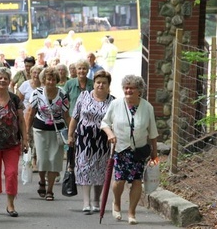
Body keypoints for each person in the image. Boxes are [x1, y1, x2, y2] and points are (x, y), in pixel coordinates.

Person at [100, 75, 158, 225]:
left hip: (138, 150)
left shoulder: (147, 107)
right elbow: (105, 122)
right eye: (126, 87)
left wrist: (155, 153)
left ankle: (132, 212)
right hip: (120, 148)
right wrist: (110, 134)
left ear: (139, 90)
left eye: (132, 88)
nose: (128, 90)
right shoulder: (116, 104)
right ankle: (117, 202)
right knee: (120, 180)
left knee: (137, 181)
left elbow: (152, 132)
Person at [67, 70, 115, 214]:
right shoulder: (84, 96)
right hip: (84, 139)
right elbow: (75, 117)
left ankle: (96, 201)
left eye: (104, 83)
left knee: (101, 170)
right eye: (98, 82)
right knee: (84, 168)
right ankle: (86, 202)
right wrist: (70, 135)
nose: (100, 85)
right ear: (93, 83)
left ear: (108, 85)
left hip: (102, 140)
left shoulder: (113, 101)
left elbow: (115, 122)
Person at [0, 67, 27, 217]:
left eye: (5, 78)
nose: (2, 80)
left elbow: (22, 121)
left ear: (9, 81)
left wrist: (25, 139)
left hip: (12, 144)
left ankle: (10, 205)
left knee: (11, 173)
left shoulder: (15, 99)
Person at [26, 67, 70, 201]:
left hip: (57, 130)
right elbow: (30, 113)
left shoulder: (62, 94)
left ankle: (50, 190)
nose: (50, 82)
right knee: (42, 159)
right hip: (40, 129)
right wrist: (27, 132)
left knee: (54, 160)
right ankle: (42, 181)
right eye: (48, 79)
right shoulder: (37, 93)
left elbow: (66, 115)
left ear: (57, 80)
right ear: (43, 80)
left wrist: (71, 133)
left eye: (53, 79)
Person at [18, 65, 44, 173]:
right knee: (28, 138)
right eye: (34, 72)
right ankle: (27, 160)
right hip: (26, 116)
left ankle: (34, 161)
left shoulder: (44, 86)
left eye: (38, 73)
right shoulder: (25, 85)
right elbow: (19, 101)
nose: (36, 75)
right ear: (31, 73)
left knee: (36, 140)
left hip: (40, 117)